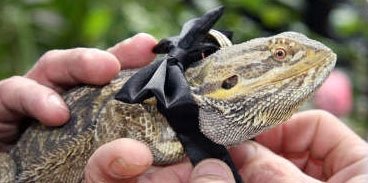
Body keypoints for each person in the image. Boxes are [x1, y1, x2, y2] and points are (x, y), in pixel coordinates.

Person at [0, 33, 367, 183]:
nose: (287, 63)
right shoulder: (162, 106)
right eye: (280, 56)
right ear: (230, 78)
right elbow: (116, 111)